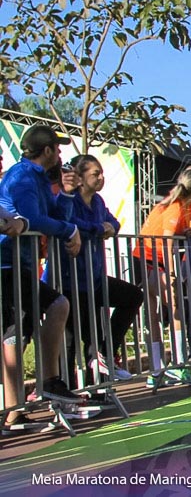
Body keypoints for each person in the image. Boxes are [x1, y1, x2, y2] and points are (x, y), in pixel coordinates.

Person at [1, 125, 85, 430]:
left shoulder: (35, 178)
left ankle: (14, 411)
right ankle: (49, 381)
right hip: (7, 265)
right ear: (47, 150)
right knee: (57, 305)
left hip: (20, 265)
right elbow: (33, 220)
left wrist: (66, 193)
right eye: (58, 148)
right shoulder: (22, 177)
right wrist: (70, 231)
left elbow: (54, 216)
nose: (61, 154)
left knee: (14, 334)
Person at [52, 154, 143, 381]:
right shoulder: (68, 199)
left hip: (95, 278)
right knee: (72, 337)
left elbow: (113, 222)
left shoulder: (99, 201)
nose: (101, 177)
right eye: (95, 173)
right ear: (80, 178)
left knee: (132, 296)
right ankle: (70, 390)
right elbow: (66, 222)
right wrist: (96, 229)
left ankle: (104, 358)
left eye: (102, 172)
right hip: (70, 280)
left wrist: (110, 227)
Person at [134, 168, 191, 386]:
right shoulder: (173, 207)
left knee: (174, 306)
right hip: (146, 257)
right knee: (164, 308)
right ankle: (164, 367)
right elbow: (166, 241)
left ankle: (173, 365)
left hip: (160, 259)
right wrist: (172, 272)